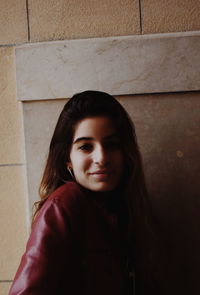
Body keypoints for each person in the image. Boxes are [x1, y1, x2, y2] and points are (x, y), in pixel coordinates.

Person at [9, 90, 156, 295]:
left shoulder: (121, 208)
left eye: (112, 144)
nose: (102, 158)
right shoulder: (63, 206)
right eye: (86, 147)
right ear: (67, 159)